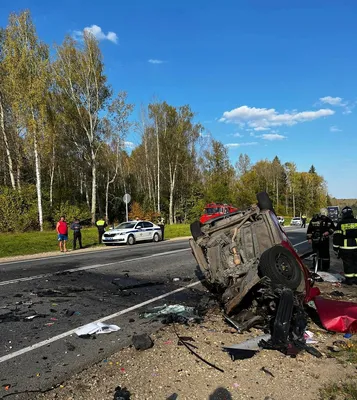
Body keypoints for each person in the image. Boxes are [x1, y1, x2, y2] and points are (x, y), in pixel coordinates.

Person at [333, 206, 357, 285]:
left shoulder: (341, 223)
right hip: (356, 247)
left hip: (345, 248)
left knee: (348, 264)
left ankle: (349, 280)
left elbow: (337, 237)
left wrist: (335, 248)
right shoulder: (356, 222)